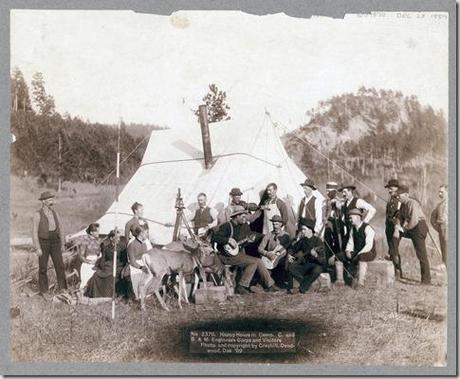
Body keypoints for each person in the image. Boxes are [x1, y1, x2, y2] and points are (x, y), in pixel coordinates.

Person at [212, 206, 280, 294]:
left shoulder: (245, 226)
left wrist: (250, 241)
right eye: (243, 216)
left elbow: (243, 242)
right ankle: (243, 285)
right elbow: (214, 237)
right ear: (237, 216)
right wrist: (227, 240)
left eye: (246, 216)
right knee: (254, 262)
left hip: (237, 254)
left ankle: (268, 285)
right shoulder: (227, 226)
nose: (245, 218)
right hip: (225, 256)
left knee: (257, 261)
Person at [31, 191, 67, 299]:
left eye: (52, 199)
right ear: (43, 201)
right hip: (43, 242)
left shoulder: (55, 213)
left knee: (60, 265)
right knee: (43, 268)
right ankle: (44, 291)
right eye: (49, 199)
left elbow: (61, 228)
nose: (52, 201)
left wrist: (62, 244)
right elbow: (34, 232)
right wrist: (37, 247)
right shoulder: (37, 214)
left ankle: (63, 288)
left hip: (55, 241)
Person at [396, 185, 431, 284]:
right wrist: (397, 226)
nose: (398, 197)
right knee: (397, 233)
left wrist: (403, 229)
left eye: (400, 195)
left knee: (421, 254)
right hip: (412, 228)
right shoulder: (403, 205)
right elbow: (400, 217)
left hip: (419, 227)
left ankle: (426, 280)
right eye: (397, 195)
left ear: (407, 194)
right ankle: (392, 252)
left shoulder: (412, 203)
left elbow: (414, 221)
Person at [336, 208, 376, 288]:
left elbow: (369, 245)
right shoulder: (352, 229)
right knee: (339, 256)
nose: (350, 220)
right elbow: (350, 242)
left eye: (351, 218)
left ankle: (360, 282)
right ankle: (340, 280)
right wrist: (348, 251)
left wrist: (358, 254)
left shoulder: (368, 228)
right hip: (357, 251)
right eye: (349, 218)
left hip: (368, 252)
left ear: (357, 217)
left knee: (361, 257)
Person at [286, 218, 326, 294]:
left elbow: (322, 261)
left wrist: (315, 255)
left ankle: (303, 287)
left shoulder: (318, 241)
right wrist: (289, 255)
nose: (302, 231)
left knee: (317, 269)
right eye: (302, 229)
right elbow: (292, 248)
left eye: (304, 229)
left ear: (310, 230)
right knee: (291, 267)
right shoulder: (302, 241)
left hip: (315, 266)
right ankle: (307, 284)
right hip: (305, 266)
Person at [85, 229, 125, 298]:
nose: (118, 239)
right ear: (111, 238)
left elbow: (124, 260)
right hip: (108, 266)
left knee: (111, 276)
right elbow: (103, 259)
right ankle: (96, 295)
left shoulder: (122, 247)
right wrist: (101, 268)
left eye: (119, 238)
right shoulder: (106, 248)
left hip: (119, 266)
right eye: (117, 238)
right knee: (96, 275)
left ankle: (109, 295)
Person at [257, 215, 291, 285]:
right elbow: (260, 248)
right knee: (264, 269)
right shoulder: (268, 235)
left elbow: (290, 248)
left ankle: (282, 282)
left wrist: (288, 255)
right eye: (273, 224)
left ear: (281, 224)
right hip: (270, 258)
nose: (275, 226)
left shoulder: (286, 235)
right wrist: (267, 254)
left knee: (285, 264)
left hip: (281, 259)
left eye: (277, 224)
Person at [323, 181, 343, 278]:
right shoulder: (326, 201)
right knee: (328, 246)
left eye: (329, 191)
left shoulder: (339, 201)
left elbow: (341, 214)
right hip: (328, 227)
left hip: (337, 228)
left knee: (338, 246)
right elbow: (324, 213)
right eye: (326, 191)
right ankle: (329, 268)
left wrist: (337, 206)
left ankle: (339, 272)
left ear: (334, 191)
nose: (327, 193)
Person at [383, 179, 402, 278]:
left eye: (391, 188)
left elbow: (399, 214)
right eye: (388, 189)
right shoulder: (391, 199)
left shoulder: (398, 200)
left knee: (394, 249)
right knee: (392, 249)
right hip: (389, 227)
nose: (389, 190)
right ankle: (394, 271)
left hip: (394, 227)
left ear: (396, 188)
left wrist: (396, 227)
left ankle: (398, 272)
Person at [127, 226, 151, 300]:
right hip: (135, 267)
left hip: (144, 264)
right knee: (137, 280)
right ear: (141, 233)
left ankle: (145, 295)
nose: (147, 235)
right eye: (146, 233)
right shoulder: (132, 244)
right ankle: (138, 297)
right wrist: (141, 267)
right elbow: (132, 261)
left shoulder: (144, 244)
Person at [78, 223, 101, 290]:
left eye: (98, 231)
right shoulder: (85, 241)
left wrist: (98, 260)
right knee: (86, 283)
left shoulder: (99, 241)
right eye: (96, 231)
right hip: (87, 264)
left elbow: (101, 253)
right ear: (91, 232)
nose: (98, 233)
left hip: (97, 263)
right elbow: (80, 255)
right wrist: (89, 261)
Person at [430, 184, 448, 266]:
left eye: (442, 192)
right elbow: (432, 218)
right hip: (442, 228)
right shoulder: (439, 205)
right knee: (444, 249)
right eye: (439, 192)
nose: (439, 194)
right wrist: (439, 228)